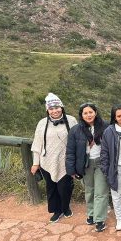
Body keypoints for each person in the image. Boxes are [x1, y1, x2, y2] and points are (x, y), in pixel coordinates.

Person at [31, 93, 78, 223]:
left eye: (57, 107)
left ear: (62, 107)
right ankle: (56, 210)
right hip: (47, 160)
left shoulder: (72, 120)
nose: (55, 110)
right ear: (47, 110)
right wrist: (35, 163)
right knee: (51, 187)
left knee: (65, 187)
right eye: (51, 108)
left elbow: (77, 140)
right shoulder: (42, 123)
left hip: (66, 161)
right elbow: (37, 144)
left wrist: (76, 162)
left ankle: (65, 207)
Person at [65, 102, 109, 232]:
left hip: (102, 162)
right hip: (85, 164)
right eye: (85, 113)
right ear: (81, 115)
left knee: (100, 191)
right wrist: (71, 170)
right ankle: (91, 213)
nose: (89, 115)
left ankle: (99, 219)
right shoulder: (75, 130)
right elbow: (70, 151)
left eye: (91, 112)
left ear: (95, 112)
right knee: (89, 191)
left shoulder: (105, 126)